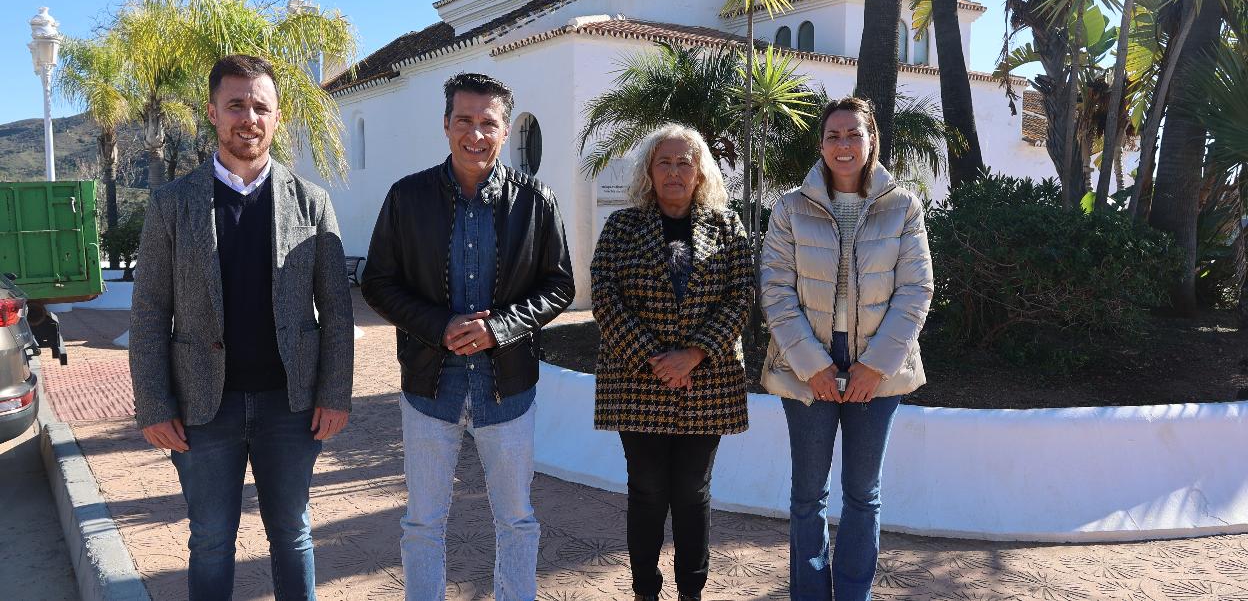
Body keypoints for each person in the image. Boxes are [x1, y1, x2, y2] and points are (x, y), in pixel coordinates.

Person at [129, 54, 355, 601]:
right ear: (213, 112)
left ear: (277, 118)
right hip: (204, 408)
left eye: (260, 107)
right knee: (209, 539)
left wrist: (334, 393)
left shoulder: (312, 203)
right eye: (236, 105)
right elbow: (151, 311)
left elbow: (337, 310)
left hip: (292, 405)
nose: (248, 118)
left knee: (293, 533)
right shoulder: (171, 204)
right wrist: (154, 404)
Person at [360, 72, 574, 601]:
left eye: (488, 123)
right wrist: (439, 327)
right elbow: (378, 281)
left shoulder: (536, 201)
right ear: (446, 125)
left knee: (517, 520)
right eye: (464, 121)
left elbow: (560, 285)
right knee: (423, 524)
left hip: (509, 389)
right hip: (431, 388)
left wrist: (499, 329)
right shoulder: (406, 197)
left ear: (504, 131)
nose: (475, 134)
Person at [760, 96, 933, 601]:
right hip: (805, 362)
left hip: (877, 368)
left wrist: (875, 367)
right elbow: (775, 290)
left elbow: (916, 290)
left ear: (871, 139)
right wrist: (811, 365)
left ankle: (854, 595)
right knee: (807, 497)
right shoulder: (791, 207)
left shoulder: (903, 205)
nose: (843, 144)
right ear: (821, 143)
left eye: (853, 134)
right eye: (834, 135)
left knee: (863, 496)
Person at [591, 124, 752, 601]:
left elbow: (742, 295)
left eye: (685, 162)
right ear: (649, 170)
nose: (676, 171)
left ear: (700, 172)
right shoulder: (622, 227)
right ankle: (645, 590)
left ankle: (691, 592)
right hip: (637, 382)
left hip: (707, 382)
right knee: (645, 491)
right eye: (665, 162)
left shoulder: (727, 226)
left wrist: (694, 354)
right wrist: (653, 359)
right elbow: (604, 295)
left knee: (691, 493)